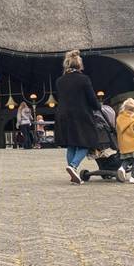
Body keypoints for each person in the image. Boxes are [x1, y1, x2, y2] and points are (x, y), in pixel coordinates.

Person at [54, 49, 101, 185]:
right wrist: (98, 106)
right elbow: (91, 98)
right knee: (88, 141)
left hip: (63, 115)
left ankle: (73, 174)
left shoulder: (60, 81)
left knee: (72, 144)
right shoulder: (84, 79)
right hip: (81, 114)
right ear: (79, 65)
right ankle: (73, 166)